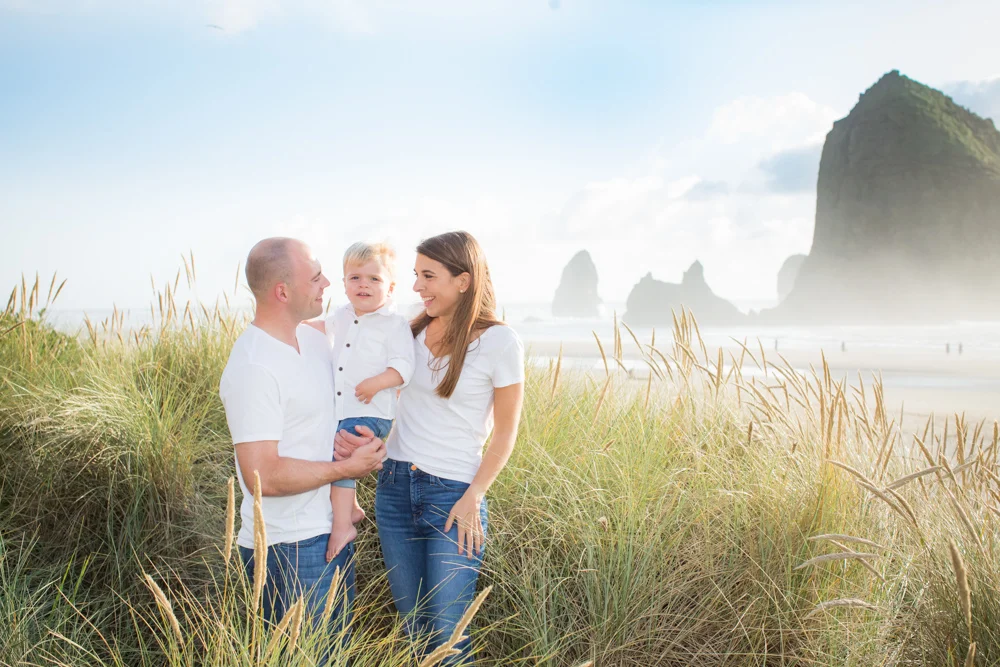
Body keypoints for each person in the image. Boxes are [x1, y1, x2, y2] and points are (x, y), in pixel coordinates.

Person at [336, 231, 525, 665]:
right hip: (395, 489)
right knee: (415, 629)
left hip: (454, 495)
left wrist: (474, 496)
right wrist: (366, 437)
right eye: (415, 276)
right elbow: (380, 391)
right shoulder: (409, 330)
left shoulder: (500, 341)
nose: (417, 286)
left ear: (463, 280)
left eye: (428, 276)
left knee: (447, 632)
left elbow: (506, 432)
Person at [218, 237, 385, 639]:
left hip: (332, 530)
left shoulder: (313, 340)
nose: (328, 282)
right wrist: (346, 468)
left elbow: (329, 417)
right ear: (282, 292)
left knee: (336, 652)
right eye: (315, 277)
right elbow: (265, 477)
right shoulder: (253, 366)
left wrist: (361, 441)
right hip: (287, 549)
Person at [305, 241, 415, 562]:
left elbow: (404, 367)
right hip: (343, 409)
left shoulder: (394, 325)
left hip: (371, 411)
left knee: (341, 456)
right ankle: (350, 508)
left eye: (374, 279)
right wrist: (294, 325)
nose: (363, 284)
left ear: (391, 287)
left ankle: (342, 526)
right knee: (332, 447)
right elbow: (321, 328)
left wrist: (377, 382)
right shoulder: (341, 315)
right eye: (355, 278)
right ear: (344, 283)